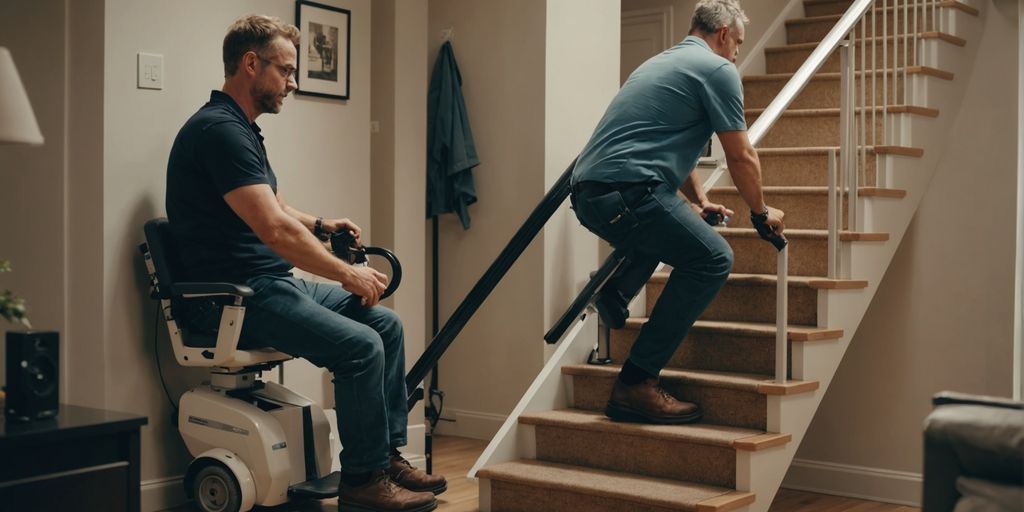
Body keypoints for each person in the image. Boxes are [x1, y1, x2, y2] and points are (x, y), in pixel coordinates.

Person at [165, 15, 444, 512]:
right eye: (287, 71)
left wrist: (321, 224)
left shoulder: (240, 128)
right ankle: (362, 482)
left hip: (268, 284)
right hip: (235, 296)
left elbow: (274, 206)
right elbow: (273, 229)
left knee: (386, 325)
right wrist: (347, 272)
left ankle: (384, 457)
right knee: (360, 345)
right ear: (251, 64)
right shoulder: (218, 131)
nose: (293, 83)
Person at [570, 0, 786, 425]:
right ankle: (636, 383)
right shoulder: (717, 69)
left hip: (589, 192)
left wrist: (701, 201)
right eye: (738, 44)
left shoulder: (659, 64)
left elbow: (668, 145)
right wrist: (761, 213)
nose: (737, 54)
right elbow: (741, 155)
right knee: (713, 258)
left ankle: (615, 290)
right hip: (630, 191)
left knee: (670, 226)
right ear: (723, 34)